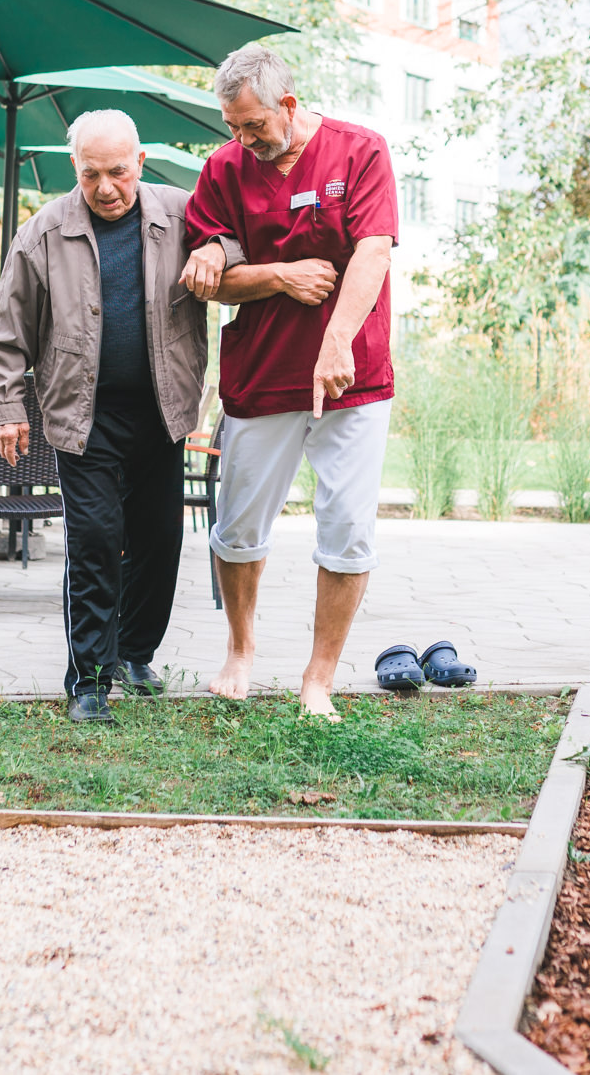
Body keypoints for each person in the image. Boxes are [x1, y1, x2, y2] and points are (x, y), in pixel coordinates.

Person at [176, 45, 397, 720]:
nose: (243, 140)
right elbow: (207, 278)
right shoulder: (223, 170)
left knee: (349, 528)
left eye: (253, 126)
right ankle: (241, 649)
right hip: (263, 377)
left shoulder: (361, 151)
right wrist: (280, 273)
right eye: (233, 127)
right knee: (237, 525)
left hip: (353, 380)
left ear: (289, 106)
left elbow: (374, 249)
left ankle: (318, 678)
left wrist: (336, 339)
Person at [0, 108, 213, 723]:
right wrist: (8, 405)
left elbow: (237, 236)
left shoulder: (183, 214)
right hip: (82, 414)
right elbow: (6, 332)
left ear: (140, 162)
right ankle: (89, 680)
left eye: (117, 171)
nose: (106, 187)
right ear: (74, 169)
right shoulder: (43, 233)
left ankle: (136, 652)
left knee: (159, 540)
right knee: (95, 543)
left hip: (163, 409)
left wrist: (219, 249)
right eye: (91, 175)